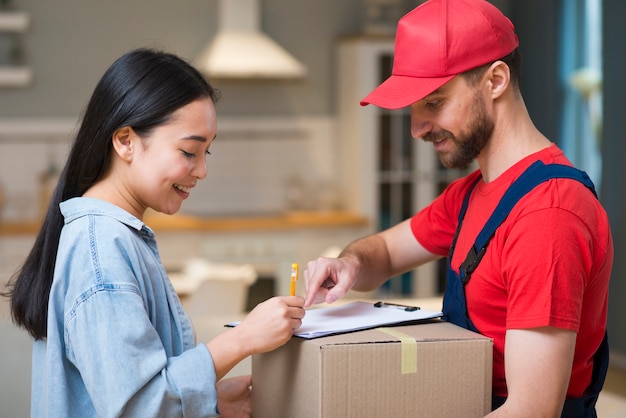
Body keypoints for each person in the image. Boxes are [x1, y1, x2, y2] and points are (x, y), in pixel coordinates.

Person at [303, 0, 612, 416]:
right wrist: (349, 264)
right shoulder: (472, 194)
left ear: (496, 80)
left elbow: (531, 410)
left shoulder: (547, 214)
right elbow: (387, 252)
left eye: (433, 102)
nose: (416, 129)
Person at [1, 48, 305, 417]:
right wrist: (243, 339)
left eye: (206, 153)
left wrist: (209, 399)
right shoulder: (100, 249)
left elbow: (133, 390)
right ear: (126, 141)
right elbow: (138, 407)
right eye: (189, 151)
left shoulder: (113, 237)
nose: (201, 171)